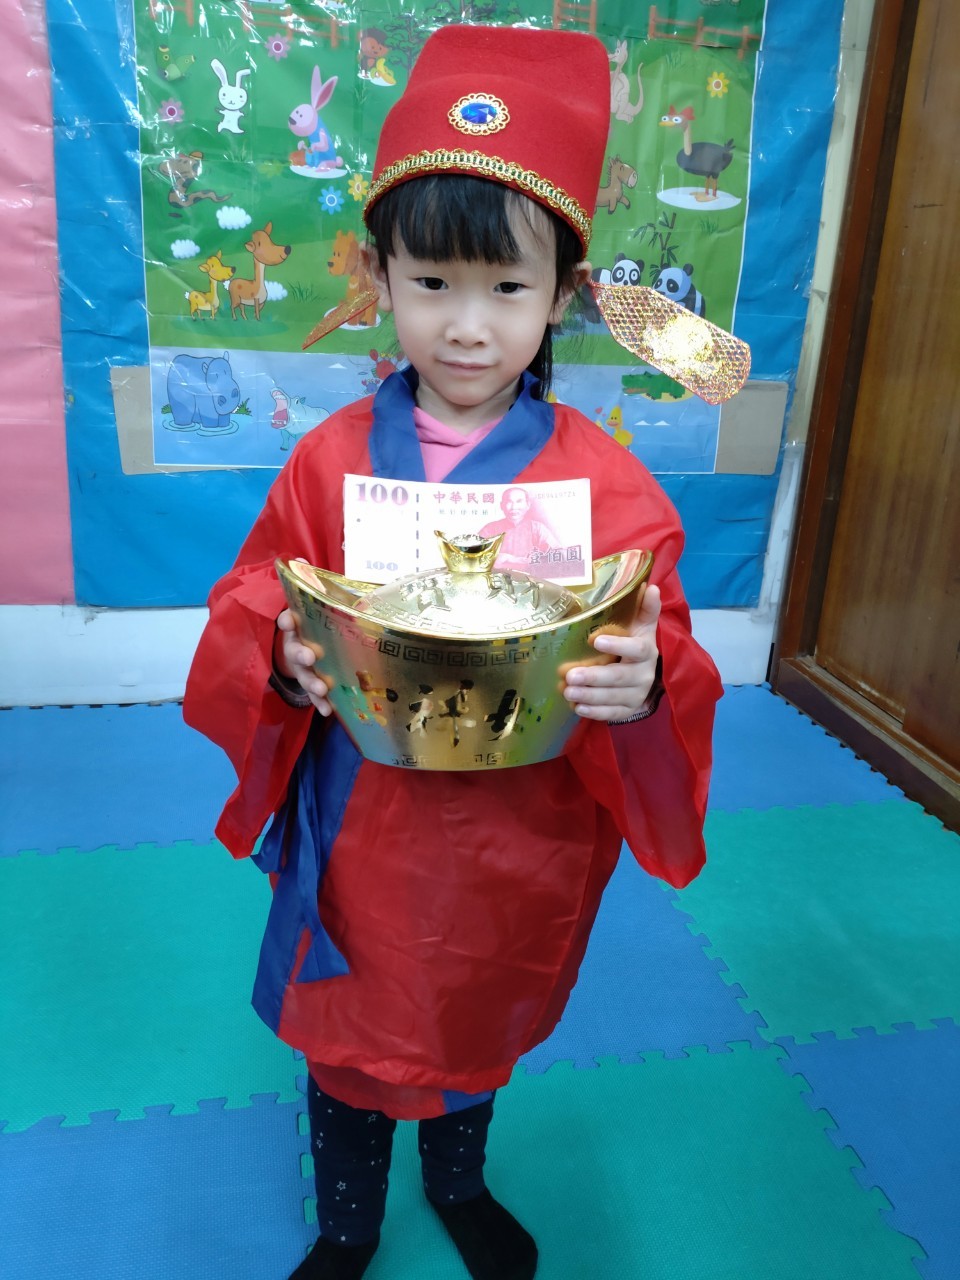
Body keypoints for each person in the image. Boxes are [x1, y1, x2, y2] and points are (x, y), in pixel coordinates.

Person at [184, 24, 722, 1280]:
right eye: (432, 282)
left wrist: (648, 679)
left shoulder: (605, 485)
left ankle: (460, 1180)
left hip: (517, 836)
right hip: (364, 824)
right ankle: (348, 1225)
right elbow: (254, 588)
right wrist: (279, 650)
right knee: (351, 1030)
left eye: (507, 290)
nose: (467, 327)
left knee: (477, 1015)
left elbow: (669, 638)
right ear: (380, 276)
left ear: (564, 292)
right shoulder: (329, 458)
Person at [478, 487, 559, 571]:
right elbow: (472, 553)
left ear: (528, 505)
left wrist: (514, 559)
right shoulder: (490, 529)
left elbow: (558, 554)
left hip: (531, 575)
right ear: (501, 505)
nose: (514, 507)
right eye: (509, 502)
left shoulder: (537, 528)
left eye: (519, 501)